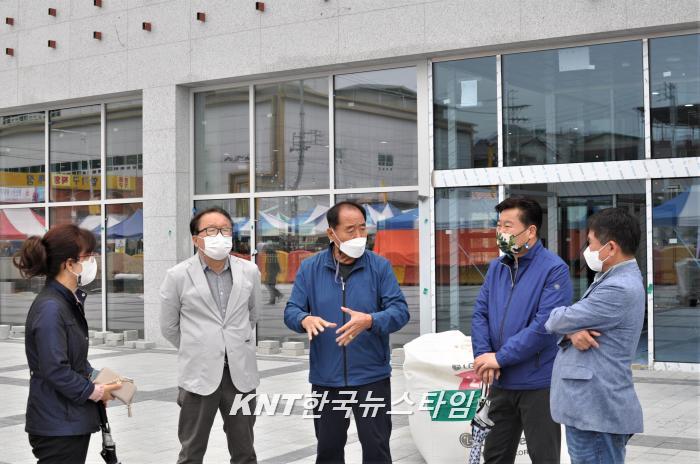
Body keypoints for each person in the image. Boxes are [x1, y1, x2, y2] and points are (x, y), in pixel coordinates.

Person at [284, 201, 410, 464]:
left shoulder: (379, 266)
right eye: (350, 230)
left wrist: (371, 320)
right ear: (331, 233)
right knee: (328, 450)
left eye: (363, 228)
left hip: (371, 378)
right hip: (326, 378)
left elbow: (400, 311)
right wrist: (304, 319)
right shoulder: (311, 268)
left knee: (376, 449)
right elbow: (291, 310)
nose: (358, 236)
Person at [471, 196, 572, 464]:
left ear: (531, 231)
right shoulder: (497, 267)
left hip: (537, 384)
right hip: (500, 381)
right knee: (495, 456)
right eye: (499, 225)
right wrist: (484, 356)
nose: (500, 232)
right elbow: (480, 313)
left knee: (544, 457)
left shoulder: (554, 269)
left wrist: (500, 357)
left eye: (508, 226)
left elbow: (545, 326)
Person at [160, 207, 261, 464]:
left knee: (245, 451)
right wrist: (199, 347)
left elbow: (253, 315)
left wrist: (231, 343)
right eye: (212, 230)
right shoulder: (178, 275)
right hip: (199, 375)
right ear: (196, 239)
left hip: (240, 376)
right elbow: (169, 326)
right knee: (191, 452)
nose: (220, 236)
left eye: (225, 230)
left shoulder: (249, 271)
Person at [14, 224, 121, 464]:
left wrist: (99, 379)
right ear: (69, 264)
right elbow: (55, 368)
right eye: (88, 255)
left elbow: (74, 361)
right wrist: (94, 392)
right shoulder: (51, 308)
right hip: (57, 424)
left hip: (67, 420)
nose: (93, 261)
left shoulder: (66, 301)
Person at [545, 208, 645, 464]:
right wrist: (572, 331)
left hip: (596, 410)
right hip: (590, 409)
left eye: (590, 243)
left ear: (610, 247)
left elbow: (556, 319)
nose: (586, 251)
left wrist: (567, 325)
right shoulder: (612, 278)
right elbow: (571, 322)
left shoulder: (617, 287)